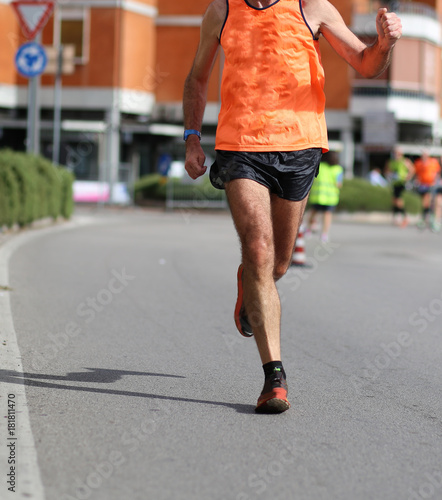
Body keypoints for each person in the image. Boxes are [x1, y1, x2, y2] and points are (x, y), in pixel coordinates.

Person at [183, 0, 402, 413]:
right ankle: (274, 378)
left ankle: (249, 283)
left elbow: (365, 62)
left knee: (277, 265)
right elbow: (196, 79)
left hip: (299, 146)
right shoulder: (222, 11)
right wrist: (192, 138)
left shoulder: (311, 7)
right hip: (240, 146)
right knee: (259, 249)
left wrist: (386, 43)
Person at [306, 151, 343, 243]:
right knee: (327, 215)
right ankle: (324, 234)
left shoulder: (320, 166)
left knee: (313, 212)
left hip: (318, 196)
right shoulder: (338, 169)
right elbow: (339, 184)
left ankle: (308, 229)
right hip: (331, 197)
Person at [385, 147, 414, 227]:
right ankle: (398, 216)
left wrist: (407, 177)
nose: (396, 155)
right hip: (394, 183)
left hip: (402, 182)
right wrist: (389, 175)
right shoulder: (391, 161)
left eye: (398, 153)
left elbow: (412, 170)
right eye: (395, 153)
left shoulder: (405, 161)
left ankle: (404, 217)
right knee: (394, 200)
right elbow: (387, 170)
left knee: (398, 199)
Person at [413, 151, 441, 231]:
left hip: (432, 185)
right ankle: (425, 218)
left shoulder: (433, 163)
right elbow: (417, 173)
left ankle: (435, 220)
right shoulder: (419, 163)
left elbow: (436, 173)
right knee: (425, 202)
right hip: (424, 185)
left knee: (436, 202)